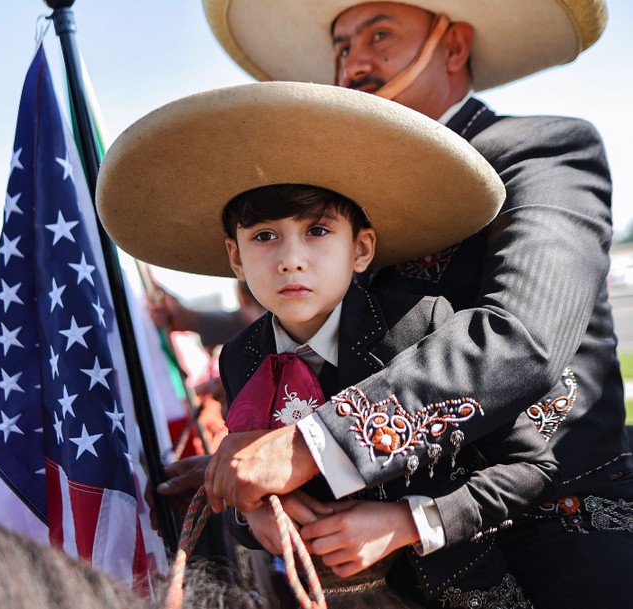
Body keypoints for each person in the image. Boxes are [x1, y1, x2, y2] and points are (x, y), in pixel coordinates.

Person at [201, 1, 632, 607]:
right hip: (404, 578)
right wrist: (238, 480)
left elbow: (521, 340)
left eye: (380, 35)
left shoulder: (539, 147)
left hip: (558, 544)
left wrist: (308, 447)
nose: (355, 62)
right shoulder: (343, 197)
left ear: (453, 47)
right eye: (343, 47)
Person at [96, 81, 557, 606]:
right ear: (235, 258)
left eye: (317, 231)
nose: (291, 259)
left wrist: (408, 521)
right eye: (264, 236)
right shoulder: (241, 357)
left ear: (360, 249)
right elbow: (259, 479)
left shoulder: (419, 326)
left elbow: (530, 469)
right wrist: (256, 515)